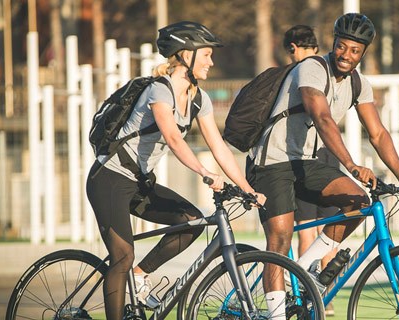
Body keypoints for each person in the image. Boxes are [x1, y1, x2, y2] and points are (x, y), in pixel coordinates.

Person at [247, 13, 399, 319]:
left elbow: (378, 133)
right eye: (342, 47)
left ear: (363, 53)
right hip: (271, 162)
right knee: (280, 239)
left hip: (303, 162)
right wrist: (352, 165)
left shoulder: (358, 84)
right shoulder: (312, 68)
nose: (346, 55)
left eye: (355, 51)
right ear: (334, 43)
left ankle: (304, 271)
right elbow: (322, 117)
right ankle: (276, 315)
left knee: (358, 201)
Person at [86, 21, 265, 320]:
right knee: (122, 257)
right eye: (206, 54)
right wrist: (204, 173)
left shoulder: (199, 99)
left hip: (140, 183)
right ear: (185, 55)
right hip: (109, 180)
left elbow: (219, 147)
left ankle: (141, 277)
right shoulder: (160, 90)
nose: (211, 61)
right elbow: (172, 138)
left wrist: (247, 189)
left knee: (192, 222)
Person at [284, 24, 339, 316]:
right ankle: (325, 298)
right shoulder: (328, 72)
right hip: (329, 157)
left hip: (302, 161)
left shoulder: (295, 75)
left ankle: (308, 294)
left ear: (292, 47)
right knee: (331, 230)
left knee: (307, 231)